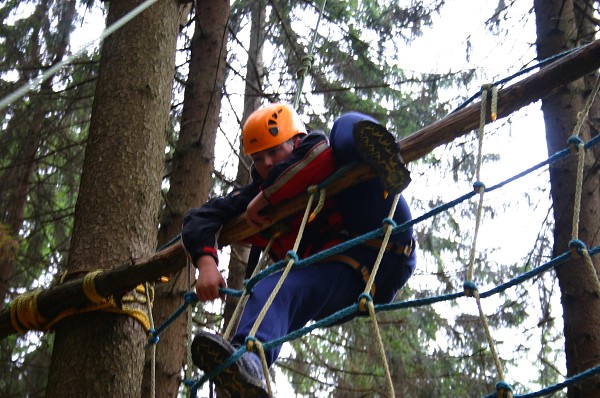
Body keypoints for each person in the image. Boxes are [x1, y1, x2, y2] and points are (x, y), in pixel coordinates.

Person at [181, 102, 416, 397]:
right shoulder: (253, 195)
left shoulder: (318, 149)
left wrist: (268, 197)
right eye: (258, 158)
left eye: (274, 151)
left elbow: (316, 157)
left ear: (295, 141)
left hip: (386, 236)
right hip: (343, 275)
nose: (266, 163)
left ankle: (380, 157)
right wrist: (206, 263)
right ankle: (250, 365)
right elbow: (200, 217)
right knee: (271, 289)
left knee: (346, 124)